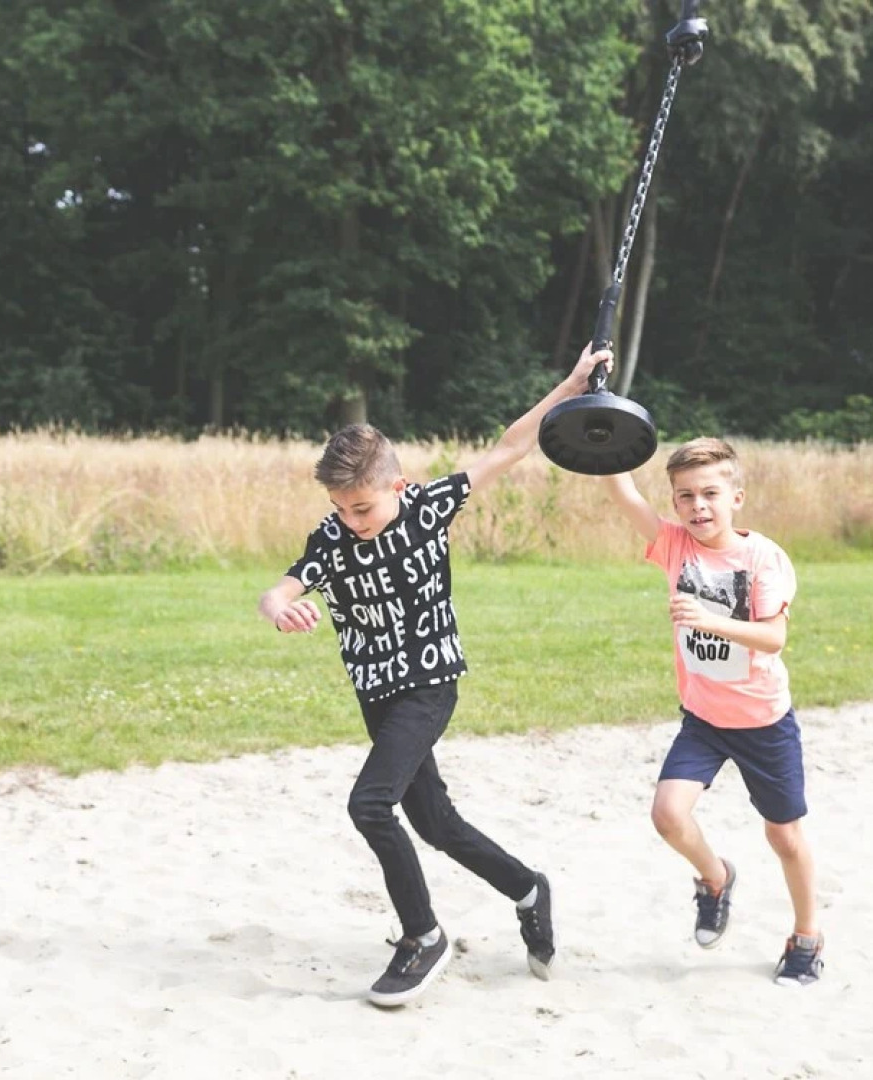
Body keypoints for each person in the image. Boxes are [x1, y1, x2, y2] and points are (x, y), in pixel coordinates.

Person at [257, 344, 608, 1008]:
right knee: (436, 822)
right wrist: (279, 609)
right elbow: (280, 588)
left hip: (427, 682)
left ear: (398, 486)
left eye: (362, 508)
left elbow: (510, 447)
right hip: (377, 696)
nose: (352, 521)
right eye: (340, 508)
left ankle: (423, 936)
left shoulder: (428, 507)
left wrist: (571, 384)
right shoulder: (332, 538)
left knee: (369, 805)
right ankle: (528, 889)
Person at [598, 435, 824, 986]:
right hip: (703, 719)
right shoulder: (674, 546)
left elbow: (773, 637)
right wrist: (604, 434)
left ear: (736, 497)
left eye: (710, 494)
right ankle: (716, 878)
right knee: (668, 815)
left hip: (763, 722)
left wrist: (710, 620)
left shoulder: (763, 558)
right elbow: (624, 494)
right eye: (685, 496)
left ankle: (807, 936)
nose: (697, 506)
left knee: (785, 838)